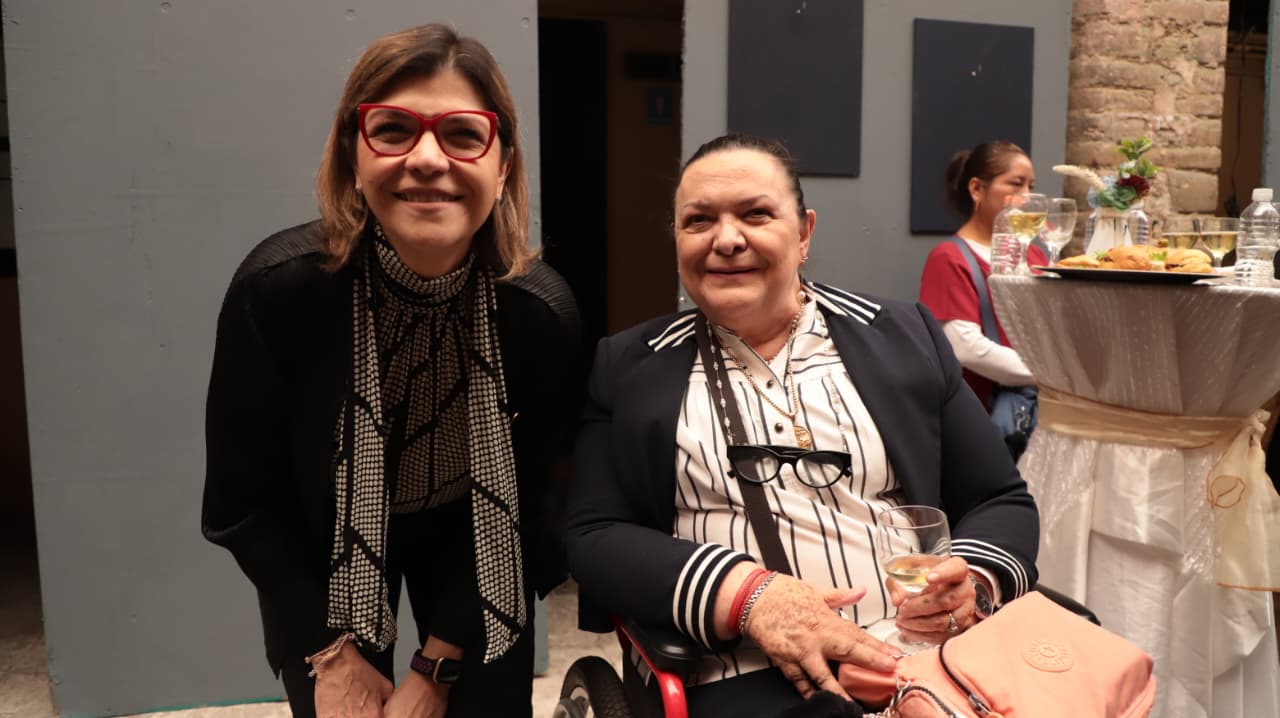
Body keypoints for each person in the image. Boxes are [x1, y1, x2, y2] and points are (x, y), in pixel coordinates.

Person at [565, 134, 1038, 717]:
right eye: (698, 221)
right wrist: (748, 596)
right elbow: (595, 534)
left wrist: (971, 584)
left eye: (756, 214)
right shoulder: (630, 366)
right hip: (746, 673)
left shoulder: (903, 336)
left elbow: (999, 498)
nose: (726, 239)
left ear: (804, 232)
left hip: (927, 659)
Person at [202, 24, 580, 718]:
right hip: (326, 537)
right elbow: (244, 506)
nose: (427, 159)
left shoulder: (539, 314)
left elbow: (534, 504)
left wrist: (437, 667)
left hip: (478, 531)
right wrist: (328, 655)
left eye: (462, 135)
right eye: (394, 130)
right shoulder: (277, 292)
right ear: (353, 155)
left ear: (503, 166)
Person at [919, 140, 1039, 410]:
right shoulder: (949, 257)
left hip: (1039, 405)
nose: (1027, 197)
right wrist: (1053, 375)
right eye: (1016, 184)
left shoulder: (1035, 255)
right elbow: (965, 347)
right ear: (976, 189)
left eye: (1031, 186)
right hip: (982, 410)